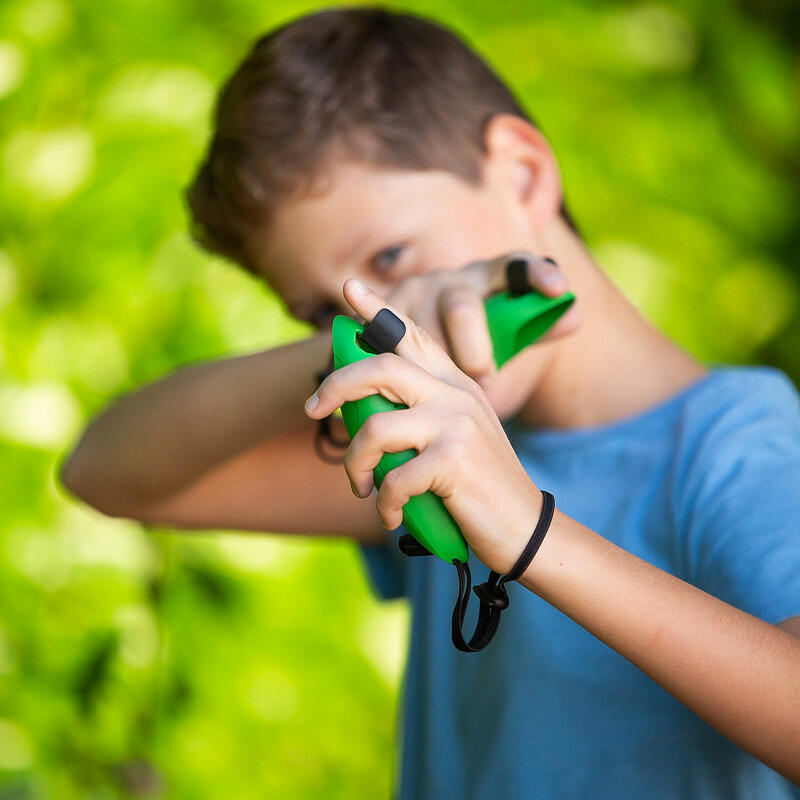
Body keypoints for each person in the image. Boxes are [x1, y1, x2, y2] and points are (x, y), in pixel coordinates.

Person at [59, 7, 800, 798]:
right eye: (319, 309)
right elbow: (106, 471)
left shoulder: (740, 444)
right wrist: (364, 330)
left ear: (521, 173)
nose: (383, 316)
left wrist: (526, 529)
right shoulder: (417, 450)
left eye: (390, 256)